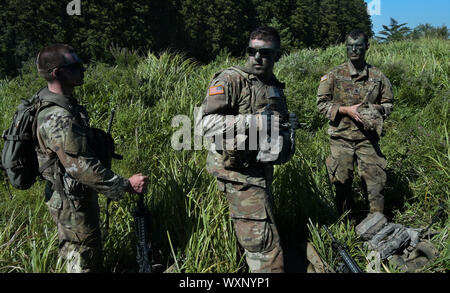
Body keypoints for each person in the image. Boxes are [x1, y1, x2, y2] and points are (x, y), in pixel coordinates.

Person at [34, 44, 148, 273]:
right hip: (71, 202)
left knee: (86, 253)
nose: (82, 69)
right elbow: (80, 167)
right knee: (81, 260)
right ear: (57, 73)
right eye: (74, 66)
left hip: (75, 197)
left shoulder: (63, 106)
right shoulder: (58, 117)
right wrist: (126, 185)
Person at [196, 27, 300, 273]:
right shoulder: (232, 80)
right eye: (251, 51)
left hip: (259, 171)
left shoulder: (270, 84)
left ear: (277, 55)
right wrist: (255, 122)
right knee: (267, 253)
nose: (256, 57)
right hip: (239, 175)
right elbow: (203, 125)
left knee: (257, 240)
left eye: (264, 52)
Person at [317, 29, 394, 217]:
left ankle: (377, 224)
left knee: (376, 184)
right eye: (350, 47)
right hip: (341, 138)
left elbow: (389, 104)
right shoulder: (334, 75)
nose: (354, 50)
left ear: (366, 47)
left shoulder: (378, 76)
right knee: (341, 183)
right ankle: (346, 224)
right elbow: (321, 105)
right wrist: (346, 110)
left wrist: (378, 109)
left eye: (358, 46)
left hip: (368, 138)